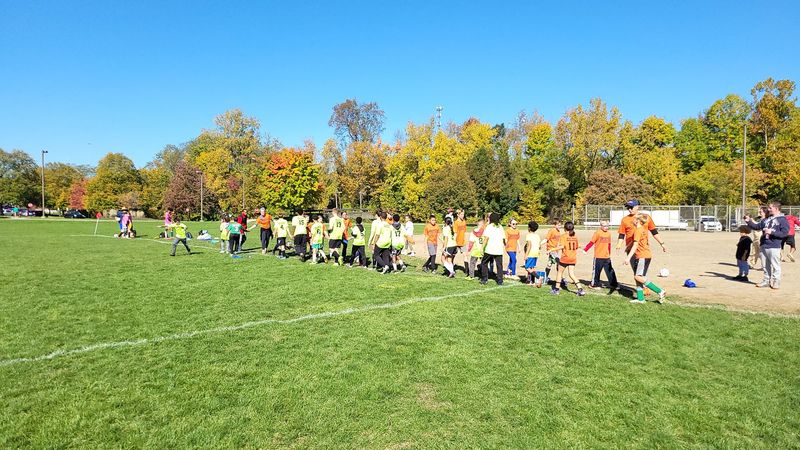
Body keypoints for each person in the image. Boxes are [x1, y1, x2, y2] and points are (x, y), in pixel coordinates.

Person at [745, 201, 790, 289]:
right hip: (764, 245)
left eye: (770, 208)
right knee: (765, 265)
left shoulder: (782, 219)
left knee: (775, 265)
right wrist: (748, 221)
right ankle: (766, 280)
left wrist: (772, 232)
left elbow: (784, 233)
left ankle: (776, 281)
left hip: (774, 245)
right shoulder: (767, 219)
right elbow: (757, 226)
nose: (768, 210)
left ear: (776, 208)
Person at [623, 213, 666, 304]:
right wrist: (628, 247)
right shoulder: (641, 229)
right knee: (638, 277)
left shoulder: (638, 230)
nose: (632, 221)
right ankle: (641, 298)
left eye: (634, 219)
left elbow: (635, 245)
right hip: (645, 255)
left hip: (642, 256)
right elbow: (635, 241)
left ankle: (660, 291)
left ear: (638, 221)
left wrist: (628, 257)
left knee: (637, 276)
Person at [550, 221, 585, 296]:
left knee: (559, 272)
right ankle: (580, 289)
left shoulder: (563, 236)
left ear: (565, 228)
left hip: (565, 257)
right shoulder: (575, 236)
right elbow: (576, 246)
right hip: (573, 258)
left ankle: (556, 289)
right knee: (571, 274)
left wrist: (552, 249)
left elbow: (562, 246)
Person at [583, 220, 618, 289]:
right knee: (596, 271)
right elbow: (592, 242)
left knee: (610, 271)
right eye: (604, 226)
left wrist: (609, 253)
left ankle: (614, 284)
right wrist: (585, 249)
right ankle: (594, 284)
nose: (606, 227)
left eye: (607, 226)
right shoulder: (597, 233)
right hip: (598, 256)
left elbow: (609, 244)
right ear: (601, 226)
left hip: (606, 256)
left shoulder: (608, 233)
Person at [480, 212, 506, 286]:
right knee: (499, 265)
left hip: (490, 249)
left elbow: (486, 238)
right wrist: (505, 245)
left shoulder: (489, 226)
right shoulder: (500, 227)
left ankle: (485, 279)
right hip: (499, 249)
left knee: (484, 263)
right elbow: (504, 238)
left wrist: (482, 248)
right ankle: (500, 280)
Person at [544, 219, 562, 285]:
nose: (560, 226)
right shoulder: (551, 231)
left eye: (560, 225)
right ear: (554, 225)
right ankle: (560, 278)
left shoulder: (558, 232)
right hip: (551, 249)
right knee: (559, 263)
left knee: (549, 264)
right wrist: (540, 244)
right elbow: (546, 239)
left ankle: (545, 277)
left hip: (556, 250)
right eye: (559, 225)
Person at [523, 221, 541, 286]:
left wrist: (526, 255)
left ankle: (538, 277)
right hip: (536, 253)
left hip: (531, 253)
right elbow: (539, 246)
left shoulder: (528, 235)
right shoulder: (537, 236)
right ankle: (532, 282)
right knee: (532, 268)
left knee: (527, 267)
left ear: (529, 228)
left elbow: (529, 246)